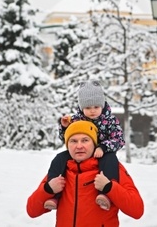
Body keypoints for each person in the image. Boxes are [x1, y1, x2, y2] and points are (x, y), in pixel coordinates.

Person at [27, 120, 144, 226]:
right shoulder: (61, 170)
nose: (79, 146)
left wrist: (110, 187)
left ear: (94, 144)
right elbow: (32, 211)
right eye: (73, 141)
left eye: (85, 140)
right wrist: (48, 189)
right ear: (67, 145)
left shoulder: (111, 169)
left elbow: (137, 210)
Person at [44, 80, 124, 211]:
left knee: (110, 161)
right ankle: (54, 195)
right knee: (59, 158)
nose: (92, 111)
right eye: (88, 108)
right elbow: (66, 139)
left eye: (96, 107)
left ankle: (105, 194)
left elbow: (119, 139)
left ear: (102, 105)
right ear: (81, 108)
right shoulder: (76, 120)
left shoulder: (110, 120)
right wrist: (64, 127)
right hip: (80, 152)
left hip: (103, 152)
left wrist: (103, 147)